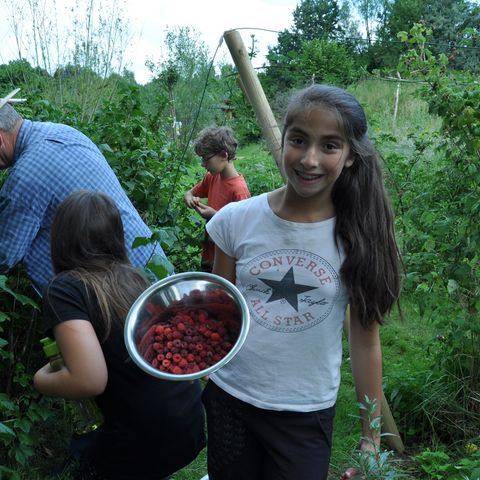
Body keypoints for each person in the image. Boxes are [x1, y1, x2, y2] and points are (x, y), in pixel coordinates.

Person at [202, 84, 402, 480]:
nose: (310, 159)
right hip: (230, 400)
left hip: (306, 412)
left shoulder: (358, 238)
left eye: (329, 146)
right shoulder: (234, 221)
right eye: (298, 140)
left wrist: (371, 437)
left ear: (348, 157)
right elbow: (217, 316)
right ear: (282, 142)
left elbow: (365, 343)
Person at [33, 190, 206, 480]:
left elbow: (89, 379)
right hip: (186, 421)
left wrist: (43, 378)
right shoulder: (132, 277)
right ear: (115, 233)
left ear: (59, 237)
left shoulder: (65, 288)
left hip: (144, 436)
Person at [0, 91, 165, 293]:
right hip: (153, 265)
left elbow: (4, 254)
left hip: (117, 295)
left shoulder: (25, 175)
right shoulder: (61, 131)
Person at [184, 126, 250, 272]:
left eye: (206, 158)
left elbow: (242, 232)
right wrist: (190, 200)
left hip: (226, 262)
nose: (203, 164)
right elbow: (189, 193)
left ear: (224, 155)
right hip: (208, 255)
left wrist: (214, 215)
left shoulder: (239, 191)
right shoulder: (212, 177)